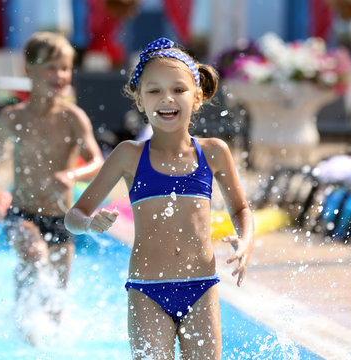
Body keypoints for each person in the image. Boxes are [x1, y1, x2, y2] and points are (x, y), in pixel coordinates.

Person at [64, 37, 254, 359]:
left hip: (201, 285)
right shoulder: (129, 156)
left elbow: (240, 208)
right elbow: (74, 215)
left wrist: (247, 241)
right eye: (154, 90)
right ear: (139, 100)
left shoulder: (214, 153)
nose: (167, 98)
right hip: (147, 291)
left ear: (197, 97)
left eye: (178, 89)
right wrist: (89, 223)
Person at [0, 32, 104, 335]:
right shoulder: (13, 118)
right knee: (35, 257)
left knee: (55, 307)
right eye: (50, 66)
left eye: (64, 67)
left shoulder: (74, 118)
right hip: (22, 213)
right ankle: (21, 330)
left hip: (62, 219)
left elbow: (98, 162)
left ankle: (28, 337)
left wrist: (71, 175)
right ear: (28, 69)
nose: (59, 75)